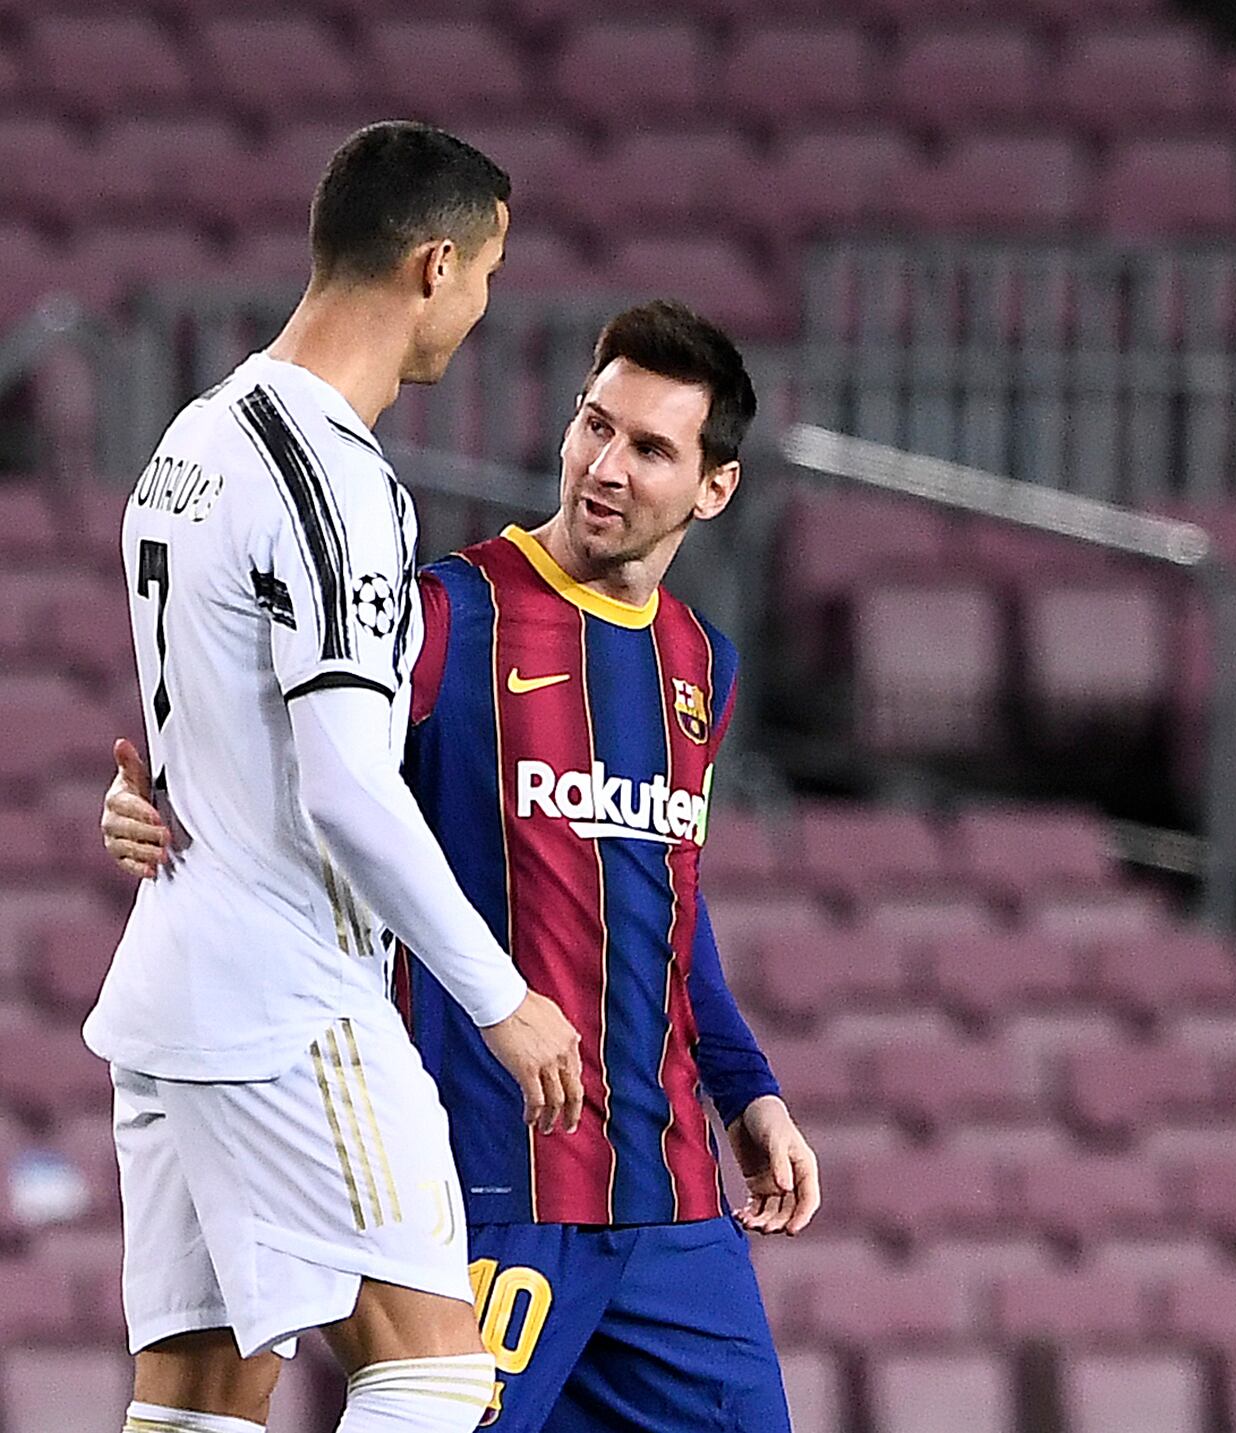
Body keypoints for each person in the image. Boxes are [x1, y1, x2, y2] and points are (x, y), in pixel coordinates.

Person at [105, 299, 818, 1433]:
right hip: (494, 1188)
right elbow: (292, 759)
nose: (605, 465)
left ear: (713, 487)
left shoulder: (700, 663)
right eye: (594, 426)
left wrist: (748, 1089)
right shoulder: (443, 616)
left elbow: (668, 901)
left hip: (672, 1205)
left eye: (648, 448)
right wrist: (154, 797)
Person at [93, 121, 585, 1433]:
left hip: (172, 989)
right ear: (433, 265)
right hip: (284, 999)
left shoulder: (190, 443)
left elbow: (186, 735)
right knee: (433, 1369)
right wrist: (500, 997)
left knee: (197, 1399)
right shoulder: (331, 480)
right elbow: (344, 787)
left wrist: (137, 801)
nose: (480, 310)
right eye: (483, 277)